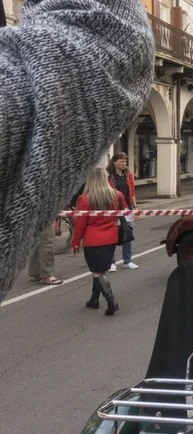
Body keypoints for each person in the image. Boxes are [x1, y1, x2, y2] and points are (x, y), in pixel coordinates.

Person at [0, 0, 154, 302]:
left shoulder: (98, 193)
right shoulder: (105, 192)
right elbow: (122, 42)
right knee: (98, 273)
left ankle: (97, 292)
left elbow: (98, 213)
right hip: (105, 241)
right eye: (120, 160)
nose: (122, 162)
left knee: (97, 273)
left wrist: (78, 241)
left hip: (99, 242)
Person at [72, 168, 127, 316]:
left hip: (93, 239)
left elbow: (80, 224)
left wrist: (75, 242)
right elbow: (125, 211)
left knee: (97, 272)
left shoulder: (85, 199)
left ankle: (111, 301)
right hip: (111, 237)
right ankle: (94, 299)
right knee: (100, 270)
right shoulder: (117, 195)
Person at [107, 152, 138, 271]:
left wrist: (134, 207)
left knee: (127, 234)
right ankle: (111, 263)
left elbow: (132, 192)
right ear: (114, 162)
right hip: (113, 209)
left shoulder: (128, 175)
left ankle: (127, 261)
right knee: (112, 235)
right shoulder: (109, 176)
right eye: (121, 161)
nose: (124, 163)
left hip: (126, 208)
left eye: (125, 161)